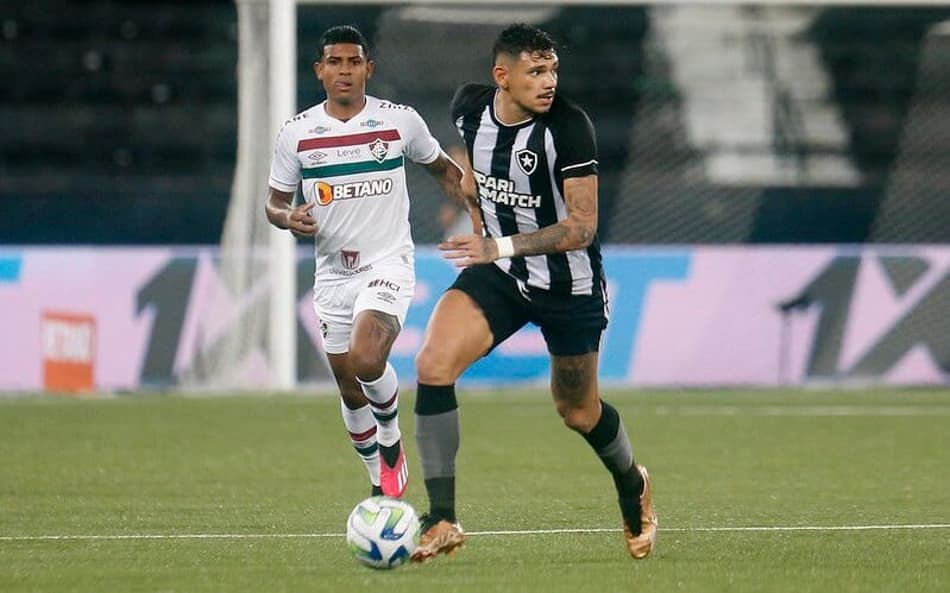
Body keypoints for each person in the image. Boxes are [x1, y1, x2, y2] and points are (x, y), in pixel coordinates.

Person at [411, 23, 657, 561]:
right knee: (432, 364)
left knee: (578, 411)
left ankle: (631, 481)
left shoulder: (569, 127)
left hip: (569, 286)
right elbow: (469, 168)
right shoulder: (468, 107)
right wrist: (472, 201)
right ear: (502, 76)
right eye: (536, 71)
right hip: (502, 276)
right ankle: (442, 518)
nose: (549, 82)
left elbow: (582, 228)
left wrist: (495, 245)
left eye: (553, 70)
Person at [265, 25, 477, 499]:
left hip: (387, 264)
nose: (345, 71)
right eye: (335, 62)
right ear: (319, 71)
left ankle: (391, 437)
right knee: (349, 387)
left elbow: (445, 171)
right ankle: (379, 485)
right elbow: (274, 203)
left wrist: (480, 213)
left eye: (354, 62)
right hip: (332, 275)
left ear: (369, 68)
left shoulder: (399, 122)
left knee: (366, 357)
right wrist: (287, 216)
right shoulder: (296, 133)